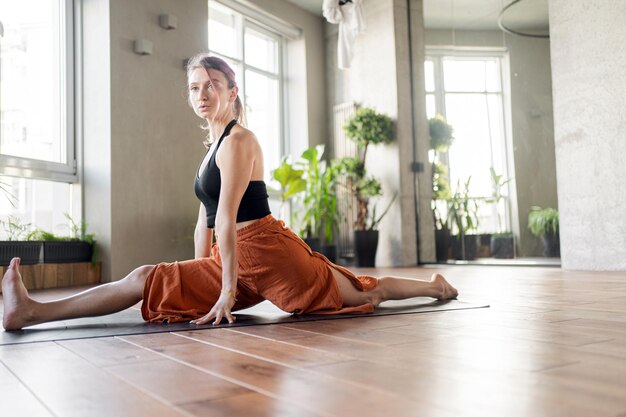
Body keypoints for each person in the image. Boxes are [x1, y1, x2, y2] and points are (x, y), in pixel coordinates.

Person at [1, 53, 458, 331]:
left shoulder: (240, 140)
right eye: (194, 88)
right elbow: (205, 217)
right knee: (144, 278)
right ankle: (31, 312)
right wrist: (204, 272)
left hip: (272, 255)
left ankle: (435, 286)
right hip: (233, 260)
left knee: (363, 293)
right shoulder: (211, 148)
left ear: (231, 91)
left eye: (211, 86)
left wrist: (222, 294)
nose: (202, 94)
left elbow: (227, 219)